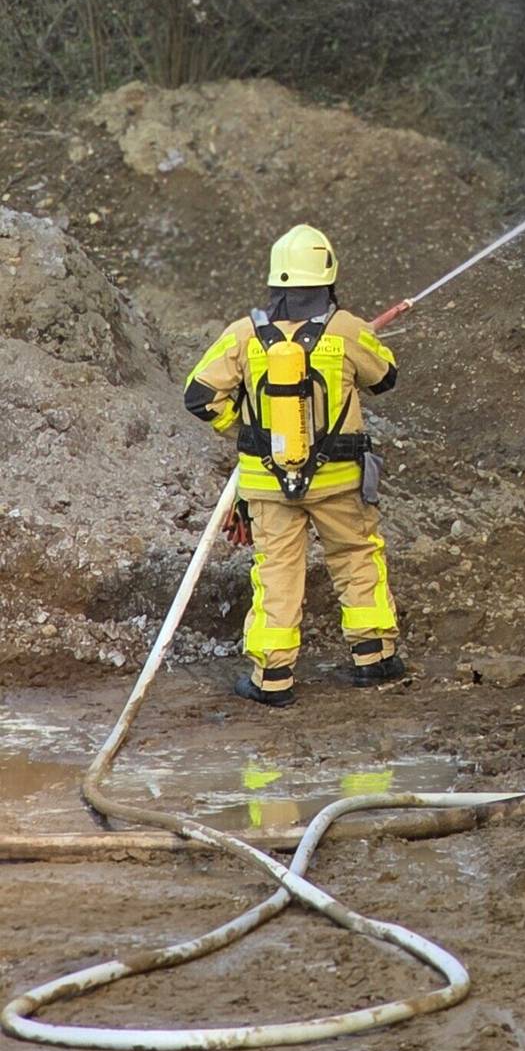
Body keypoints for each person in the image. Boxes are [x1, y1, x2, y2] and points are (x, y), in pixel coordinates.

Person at [182, 223, 406, 706]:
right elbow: (385, 376)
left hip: (268, 484)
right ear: (327, 276)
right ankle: (374, 657)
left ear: (275, 280)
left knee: (277, 572)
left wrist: (244, 430)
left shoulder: (244, 335)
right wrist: (358, 338)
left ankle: (272, 678)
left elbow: (198, 396)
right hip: (340, 481)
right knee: (355, 556)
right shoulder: (346, 329)